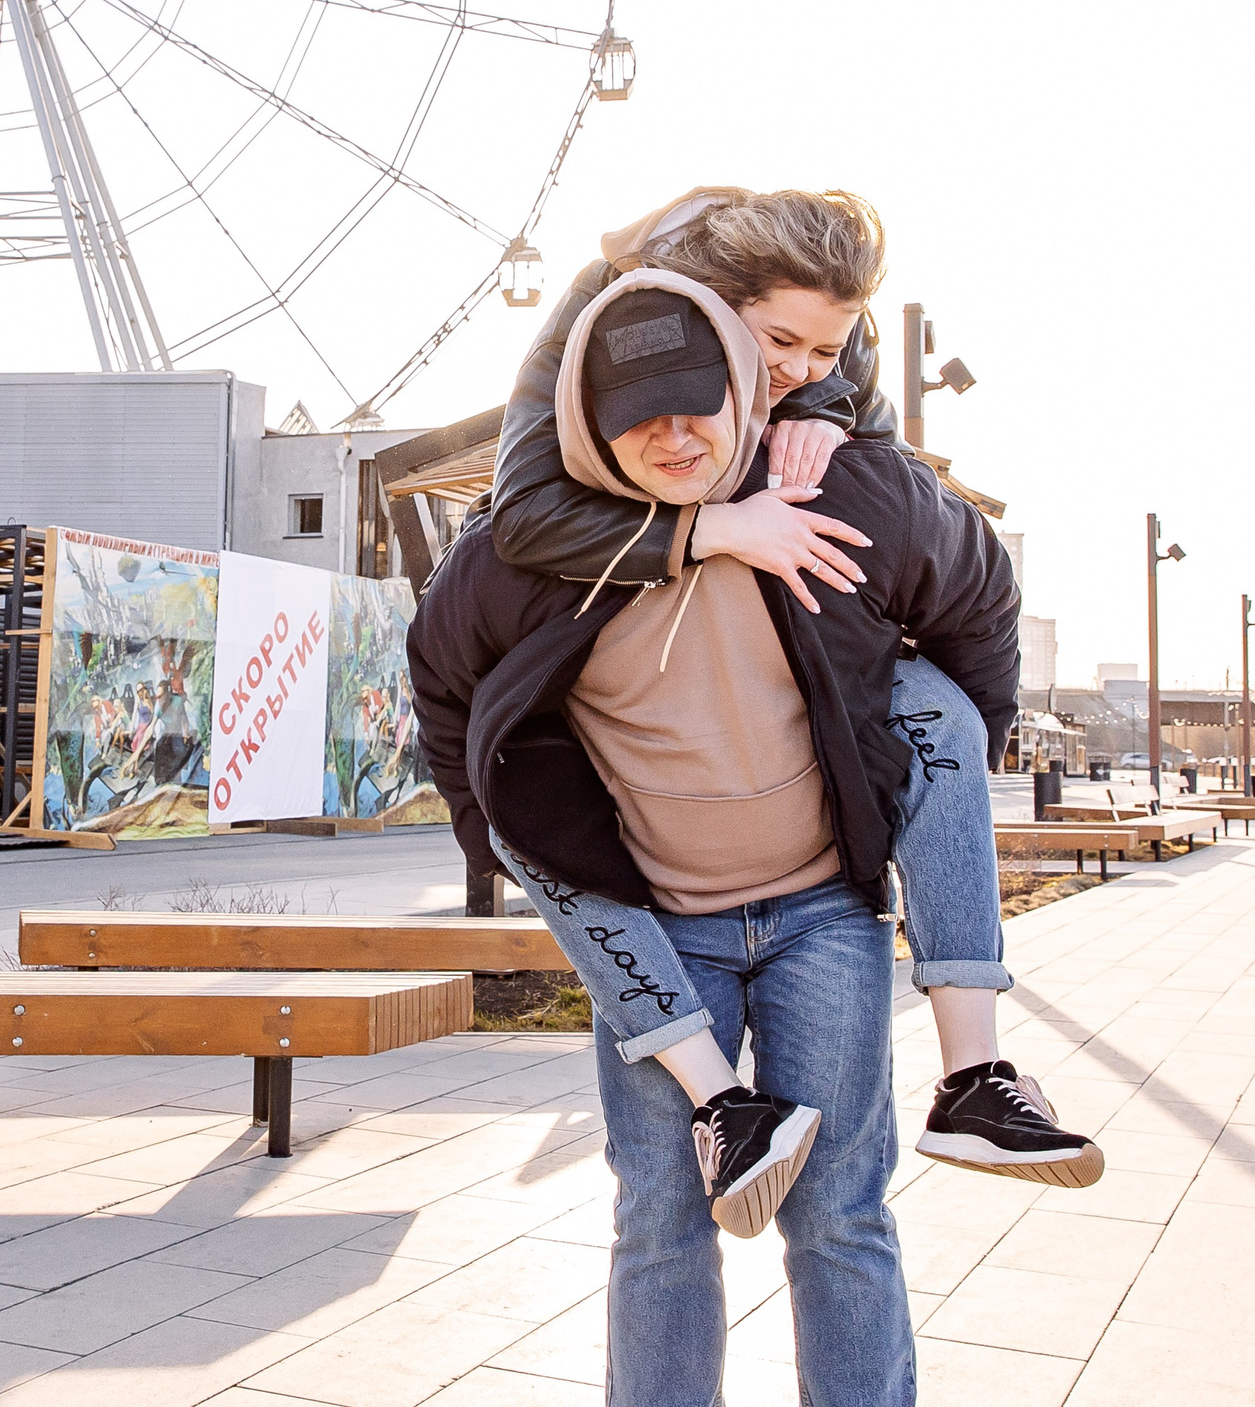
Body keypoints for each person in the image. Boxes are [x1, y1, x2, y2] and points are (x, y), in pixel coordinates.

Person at [411, 273, 1088, 1407]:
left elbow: (979, 595)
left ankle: (974, 1081)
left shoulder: (843, 486)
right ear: (587, 423)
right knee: (662, 1217)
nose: (677, 438)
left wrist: (938, 770)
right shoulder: (522, 552)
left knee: (840, 1213)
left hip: (823, 912)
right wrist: (497, 840)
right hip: (663, 927)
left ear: (743, 389)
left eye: (698, 405)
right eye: (640, 418)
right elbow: (441, 685)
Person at [458, 187, 1102, 1188]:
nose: (803, 364)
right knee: (529, 811)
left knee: (939, 714)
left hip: (816, 870)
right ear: (716, 308)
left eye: (826, 348)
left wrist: (825, 410)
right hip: (657, 827)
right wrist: (715, 528)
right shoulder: (598, 318)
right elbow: (526, 511)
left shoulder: (838, 355)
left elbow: (917, 512)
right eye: (781, 344)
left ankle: (974, 1076)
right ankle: (719, 1101)